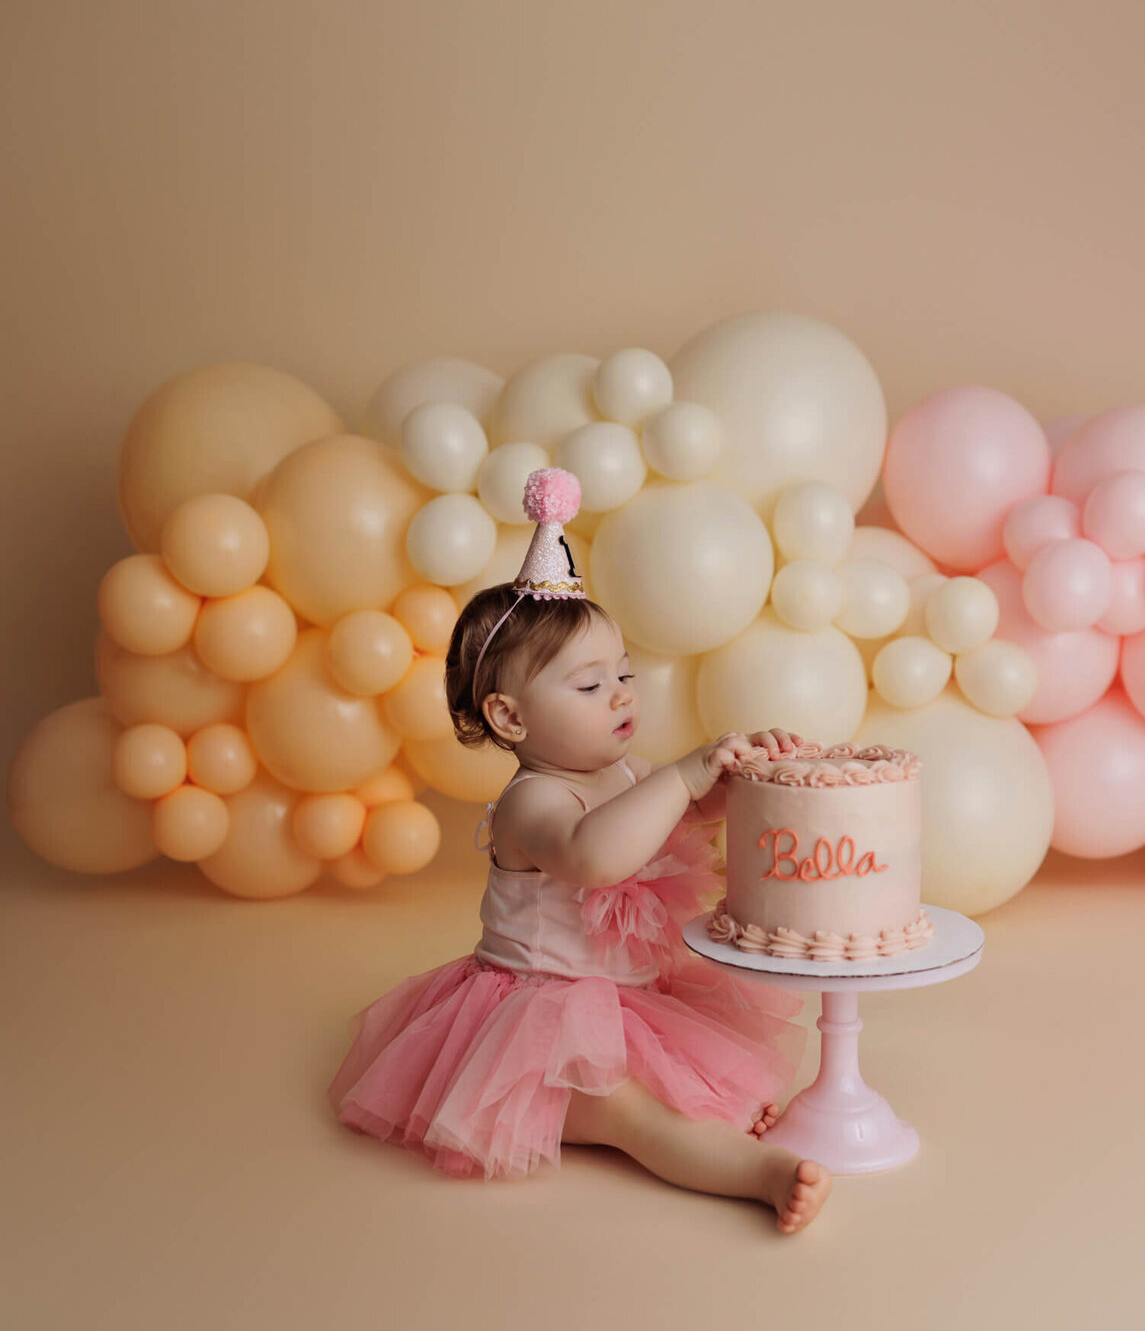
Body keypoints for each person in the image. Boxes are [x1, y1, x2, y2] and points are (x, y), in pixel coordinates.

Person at [326, 468, 831, 1234]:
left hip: (628, 998)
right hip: (541, 1015)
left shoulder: (621, 773)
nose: (623, 695)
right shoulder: (533, 804)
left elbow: (667, 839)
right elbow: (599, 858)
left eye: (623, 675)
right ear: (510, 715)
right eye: (591, 686)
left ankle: (721, 1121)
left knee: (684, 1075)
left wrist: (729, 791)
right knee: (631, 1115)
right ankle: (759, 1176)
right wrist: (685, 773)